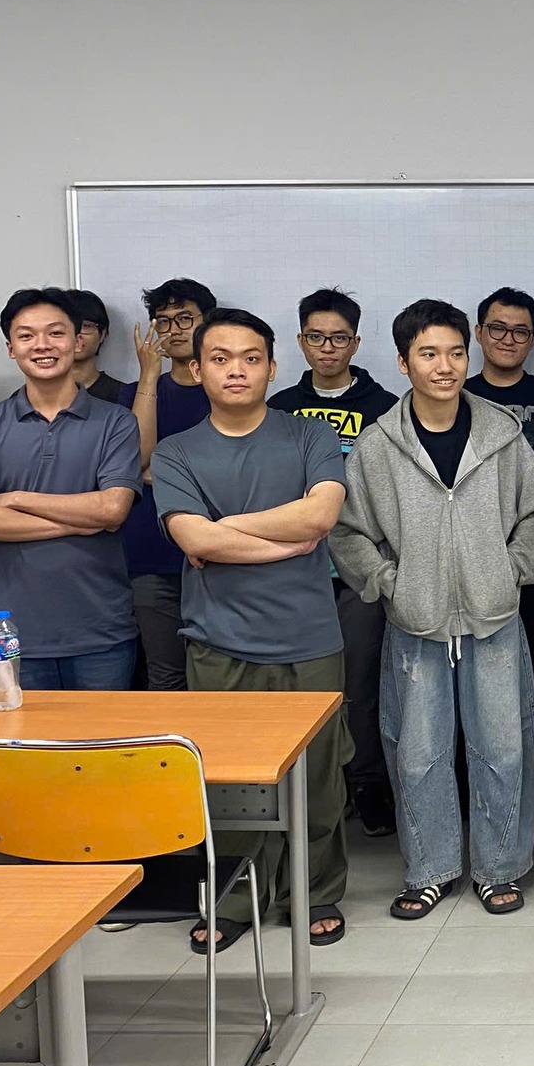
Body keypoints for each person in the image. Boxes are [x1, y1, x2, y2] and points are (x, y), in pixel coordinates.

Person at [331, 299, 534, 919]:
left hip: (493, 617)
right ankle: (428, 870)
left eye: (456, 353)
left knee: (504, 748)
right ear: (403, 362)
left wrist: (512, 572)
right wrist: (389, 583)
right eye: (428, 353)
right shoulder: (379, 445)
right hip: (416, 622)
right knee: (418, 753)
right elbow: (348, 532)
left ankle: (499, 867)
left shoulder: (501, 434)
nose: (445, 366)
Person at [155, 307, 351, 952]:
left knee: (317, 780)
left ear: (272, 366)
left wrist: (224, 530)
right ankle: (236, 898)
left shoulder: (310, 436)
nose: (235, 370)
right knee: (229, 783)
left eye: (250, 358)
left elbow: (319, 516)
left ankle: (313, 893)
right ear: (196, 369)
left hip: (308, 639)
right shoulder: (176, 451)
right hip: (219, 641)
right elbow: (192, 539)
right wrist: (276, 537)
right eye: (220, 359)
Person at [0, 288, 140, 690]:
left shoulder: (117, 422)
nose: (42, 345)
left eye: (55, 333)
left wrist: (18, 499)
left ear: (77, 341)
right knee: (19, 733)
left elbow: (112, 509)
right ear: (11, 348)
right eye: (26, 335)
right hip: (12, 633)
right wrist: (78, 521)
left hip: (101, 632)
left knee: (103, 733)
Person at [268, 287, 401, 838]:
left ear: (356, 342)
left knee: (361, 684)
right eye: (317, 337)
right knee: (301, 688)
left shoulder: (385, 407)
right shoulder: (278, 408)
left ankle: (368, 783)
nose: (327, 348)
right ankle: (315, 789)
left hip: (359, 570)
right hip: (293, 571)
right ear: (301, 341)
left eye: (339, 338)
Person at [465, 286, 534, 730]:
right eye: (497, 328)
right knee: (469, 669)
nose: (508, 339)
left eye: (520, 332)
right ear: (479, 333)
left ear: (533, 340)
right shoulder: (457, 393)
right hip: (467, 553)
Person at [118, 276, 217, 690]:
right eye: (163, 321)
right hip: (151, 557)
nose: (173, 330)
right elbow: (136, 462)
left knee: (218, 674)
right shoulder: (133, 394)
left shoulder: (227, 389)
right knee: (164, 676)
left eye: (184, 318)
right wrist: (148, 375)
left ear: (207, 322)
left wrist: (163, 474)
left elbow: (225, 472)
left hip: (218, 554)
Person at [66, 290, 128, 405]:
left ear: (102, 334)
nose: (76, 334)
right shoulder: (34, 394)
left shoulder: (123, 395)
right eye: (65, 326)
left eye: (85, 326)